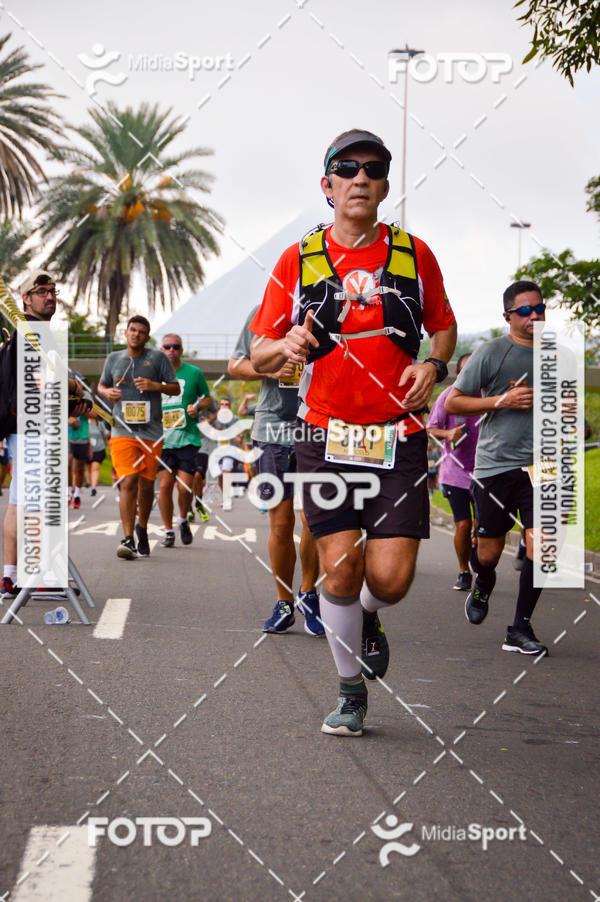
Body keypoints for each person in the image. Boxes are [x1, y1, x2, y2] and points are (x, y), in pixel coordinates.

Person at [250, 129, 456, 735]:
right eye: (348, 168)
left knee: (389, 579)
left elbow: (443, 328)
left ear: (385, 186)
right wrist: (283, 344)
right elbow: (261, 351)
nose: (361, 177)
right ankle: (349, 691)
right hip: (324, 436)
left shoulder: (416, 255)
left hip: (398, 435)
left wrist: (434, 364)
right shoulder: (297, 259)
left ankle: (368, 617)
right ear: (328, 185)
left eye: (374, 168)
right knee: (339, 569)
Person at [445, 280, 548, 656]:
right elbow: (454, 401)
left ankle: (519, 629)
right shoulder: (492, 353)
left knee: (544, 544)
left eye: (539, 308)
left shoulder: (556, 355)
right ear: (507, 316)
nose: (534, 315)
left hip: (543, 466)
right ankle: (483, 583)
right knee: (488, 553)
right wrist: (501, 400)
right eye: (525, 311)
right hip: (495, 466)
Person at [228, 306, 323, 636]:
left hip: (320, 427)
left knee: (315, 519)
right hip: (273, 430)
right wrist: (269, 368)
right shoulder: (265, 311)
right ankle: (284, 602)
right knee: (282, 522)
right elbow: (237, 365)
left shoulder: (338, 305)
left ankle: (309, 593)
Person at [1, 271, 86, 594]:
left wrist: (68, 406)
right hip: (33, 431)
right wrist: (75, 387)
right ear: (25, 298)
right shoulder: (34, 334)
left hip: (21, 429)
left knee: (19, 501)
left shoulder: (22, 333)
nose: (50, 297)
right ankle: (35, 579)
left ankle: (10, 576)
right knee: (37, 503)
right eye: (41, 292)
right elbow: (43, 384)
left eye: (53, 291)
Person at [98, 315, 179, 560]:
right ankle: (127, 538)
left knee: (146, 486)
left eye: (141, 332)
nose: (136, 334)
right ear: (126, 332)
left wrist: (156, 386)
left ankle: (141, 527)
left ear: (147, 336)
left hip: (152, 432)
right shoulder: (114, 359)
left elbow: (175, 387)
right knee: (128, 481)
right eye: (132, 330)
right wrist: (107, 392)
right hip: (122, 430)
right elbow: (101, 386)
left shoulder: (157, 358)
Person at [427, 353, 480, 591]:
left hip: (485, 471)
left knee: (482, 524)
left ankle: (479, 556)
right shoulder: (448, 397)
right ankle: (463, 571)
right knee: (463, 524)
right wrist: (448, 435)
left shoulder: (489, 396)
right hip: (455, 472)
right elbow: (431, 428)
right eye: (467, 371)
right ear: (458, 374)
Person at [157, 334, 212, 547]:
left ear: (181, 350)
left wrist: (196, 407)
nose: (171, 350)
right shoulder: (155, 374)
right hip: (162, 440)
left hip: (187, 439)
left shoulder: (193, 373)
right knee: (164, 487)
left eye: (176, 347)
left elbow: (207, 397)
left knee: (183, 488)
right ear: (161, 349)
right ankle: (168, 531)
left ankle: (182, 519)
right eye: (167, 347)